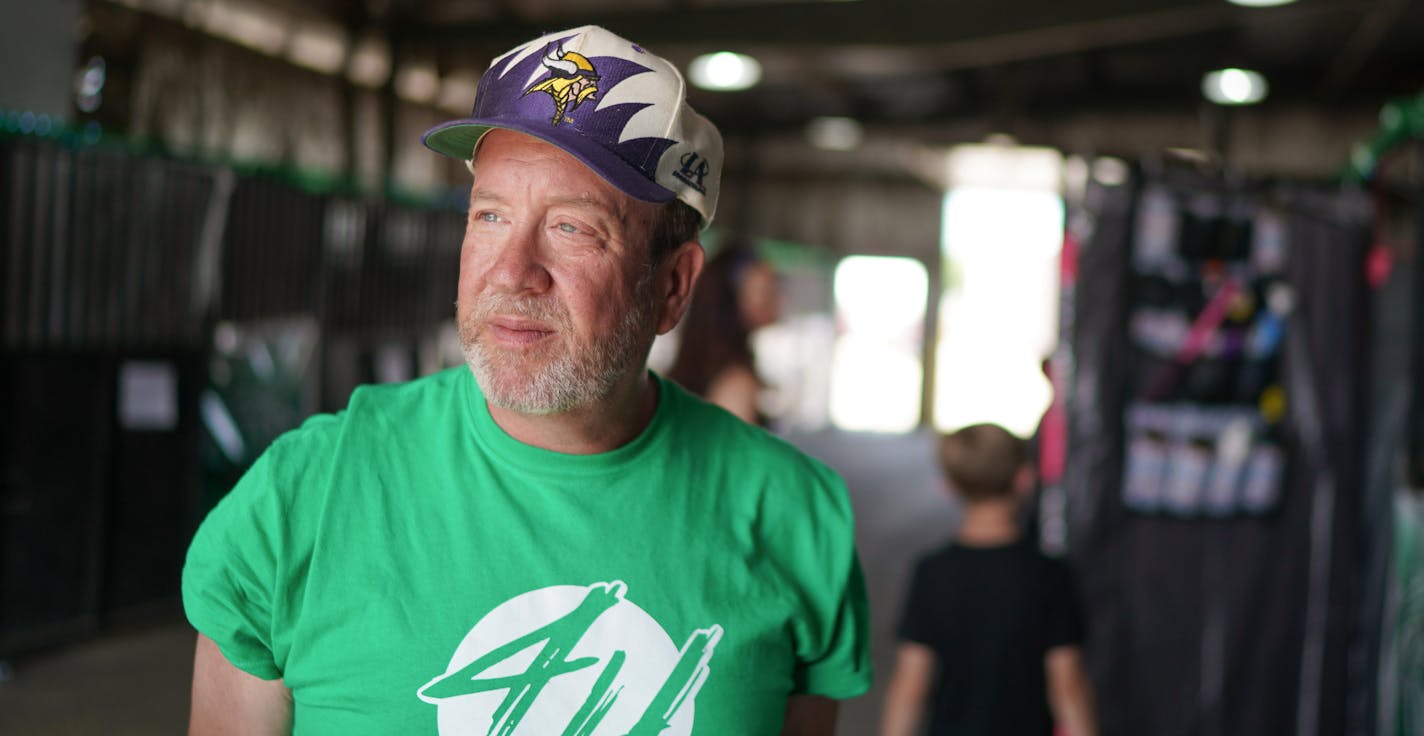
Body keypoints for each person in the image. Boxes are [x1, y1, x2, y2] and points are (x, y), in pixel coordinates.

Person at [182, 25, 871, 735]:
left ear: (672, 286)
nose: (511, 271)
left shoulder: (795, 517)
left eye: (573, 228)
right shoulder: (303, 498)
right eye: (490, 215)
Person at [880, 423, 1096, 736]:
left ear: (948, 485)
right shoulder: (1050, 575)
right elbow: (1068, 686)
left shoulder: (932, 572)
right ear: (1024, 479)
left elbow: (910, 684)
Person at [665, 239, 781, 424]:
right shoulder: (738, 383)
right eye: (767, 292)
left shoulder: (690, 370)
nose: (779, 301)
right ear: (731, 298)